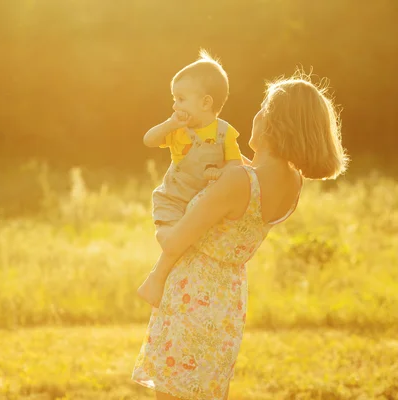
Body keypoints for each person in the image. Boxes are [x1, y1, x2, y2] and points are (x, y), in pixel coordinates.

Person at [133, 71, 349, 400]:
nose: (257, 114)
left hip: (192, 295)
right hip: (228, 301)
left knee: (173, 395)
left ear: (275, 123)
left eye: (264, 107)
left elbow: (174, 242)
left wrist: (161, 215)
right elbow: (242, 171)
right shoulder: (292, 183)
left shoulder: (239, 182)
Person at [143, 49, 243, 249]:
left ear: (206, 102)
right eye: (174, 99)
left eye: (180, 99)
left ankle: (183, 246)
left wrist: (221, 172)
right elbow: (149, 140)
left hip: (202, 203)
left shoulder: (225, 133)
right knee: (167, 231)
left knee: (199, 239)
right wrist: (169, 126)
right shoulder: (178, 128)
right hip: (173, 197)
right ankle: (169, 242)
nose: (174, 106)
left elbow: (236, 164)